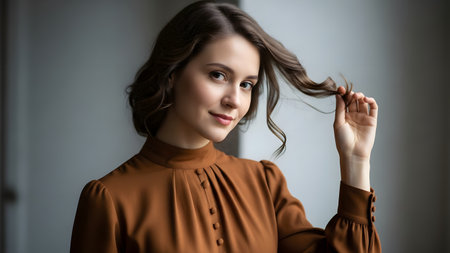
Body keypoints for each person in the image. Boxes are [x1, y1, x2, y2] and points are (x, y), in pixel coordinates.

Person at [70, 1, 381, 252]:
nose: (235, 100)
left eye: (247, 84)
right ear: (172, 73)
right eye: (218, 75)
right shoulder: (109, 199)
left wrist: (355, 161)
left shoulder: (264, 183)